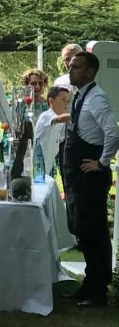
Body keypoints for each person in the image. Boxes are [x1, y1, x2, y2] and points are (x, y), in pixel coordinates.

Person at [63, 50, 117, 306]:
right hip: (76, 177)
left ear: (90, 72)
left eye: (76, 67)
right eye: (70, 65)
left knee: (94, 232)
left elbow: (112, 132)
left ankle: (98, 290)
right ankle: (89, 283)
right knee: (83, 232)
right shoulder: (79, 96)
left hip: (90, 178)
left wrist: (102, 162)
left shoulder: (96, 99)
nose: (70, 70)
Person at [33, 85, 71, 177]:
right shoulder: (47, 116)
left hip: (45, 169)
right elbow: (58, 119)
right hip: (35, 167)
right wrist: (80, 113)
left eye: (68, 101)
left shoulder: (61, 123)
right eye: (63, 100)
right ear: (51, 101)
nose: (66, 104)